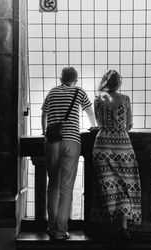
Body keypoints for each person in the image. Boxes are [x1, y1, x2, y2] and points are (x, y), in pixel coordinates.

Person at [41, 67, 95, 240]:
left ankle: (51, 226)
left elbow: (44, 113)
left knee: (53, 185)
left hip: (52, 141)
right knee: (66, 187)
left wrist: (45, 131)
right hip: (72, 141)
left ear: (60, 78)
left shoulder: (52, 91)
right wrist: (93, 127)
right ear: (76, 80)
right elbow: (89, 113)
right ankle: (61, 230)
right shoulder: (79, 92)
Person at [91, 69, 142, 239]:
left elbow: (98, 122)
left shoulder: (98, 98)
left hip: (102, 143)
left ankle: (108, 227)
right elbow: (128, 125)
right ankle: (124, 227)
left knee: (107, 186)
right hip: (123, 146)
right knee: (127, 185)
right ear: (119, 83)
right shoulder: (125, 99)